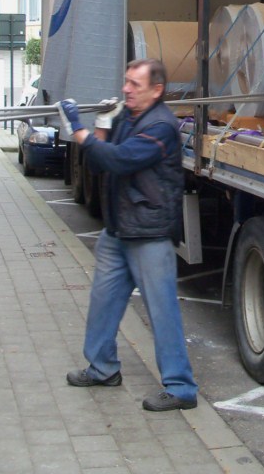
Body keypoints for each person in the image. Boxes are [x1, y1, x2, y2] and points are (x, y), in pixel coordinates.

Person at [58, 58, 198, 412]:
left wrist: (80, 130)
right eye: (126, 82)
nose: (125, 89)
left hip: (148, 233)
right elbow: (99, 161)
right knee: (103, 301)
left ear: (157, 90)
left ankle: (181, 387)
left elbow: (120, 160)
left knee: (161, 309)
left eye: (135, 84)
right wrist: (102, 125)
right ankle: (103, 368)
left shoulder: (162, 126)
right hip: (119, 229)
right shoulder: (130, 117)